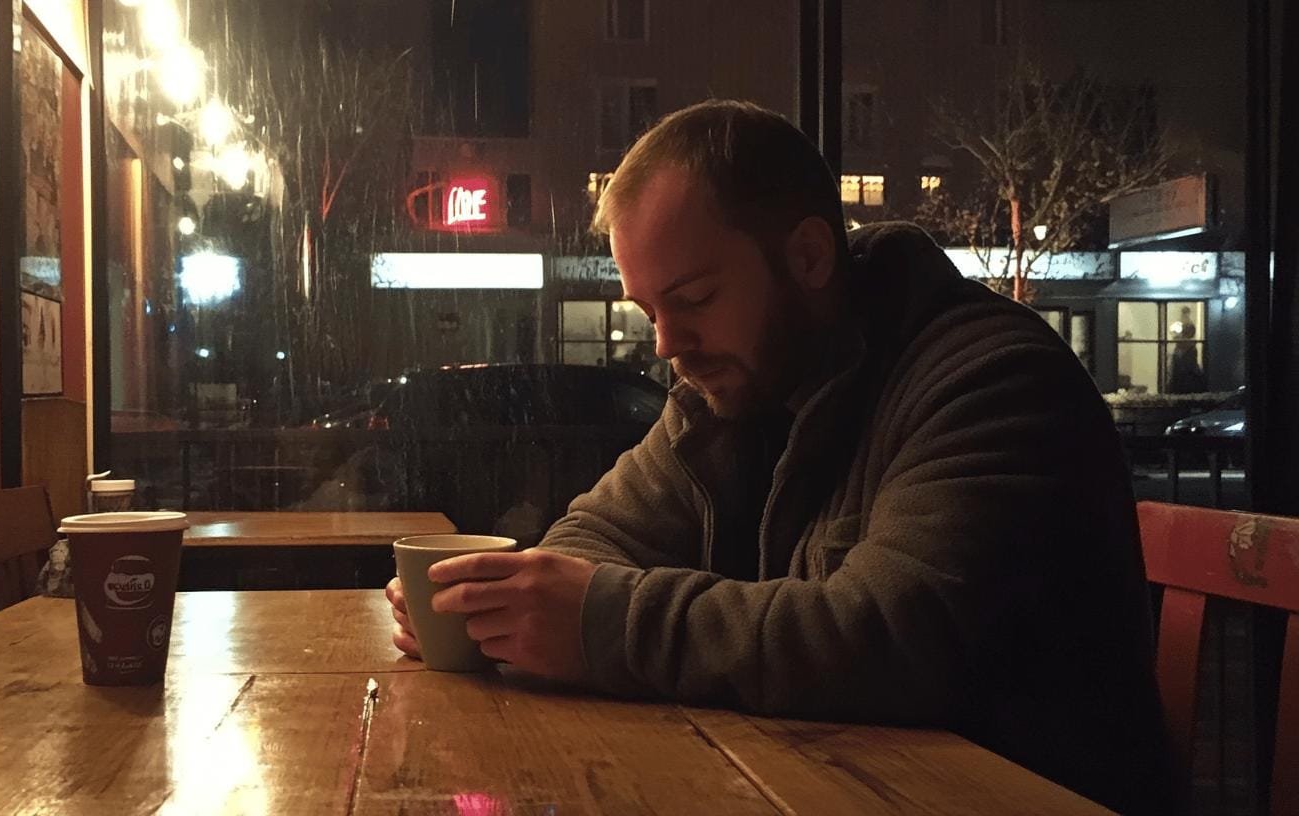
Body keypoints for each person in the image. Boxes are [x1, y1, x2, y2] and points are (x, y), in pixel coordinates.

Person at [385, 100, 1172, 814]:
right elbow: (596, 537)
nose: (666, 346)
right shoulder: (739, 387)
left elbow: (889, 639)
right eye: (650, 310)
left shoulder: (989, 379)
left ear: (807, 258)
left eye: (691, 301)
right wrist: (505, 612)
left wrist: (600, 622)